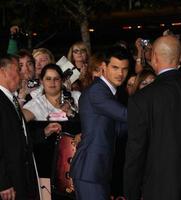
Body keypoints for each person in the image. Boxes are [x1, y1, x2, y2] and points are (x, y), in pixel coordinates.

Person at [124, 35, 181, 200]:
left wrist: (131, 193)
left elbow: (135, 151)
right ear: (180, 58)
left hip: (157, 187)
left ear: (154, 57)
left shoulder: (141, 99)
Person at [70, 45, 129, 200]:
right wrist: (156, 112)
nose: (120, 74)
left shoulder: (109, 91)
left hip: (97, 170)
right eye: (115, 67)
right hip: (90, 170)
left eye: (124, 69)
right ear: (104, 67)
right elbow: (125, 114)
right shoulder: (98, 90)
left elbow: (115, 130)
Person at [0, 55, 61, 200]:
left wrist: (44, 132)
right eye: (17, 69)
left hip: (22, 177)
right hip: (10, 183)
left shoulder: (11, 98)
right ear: (2, 72)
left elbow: (18, 137)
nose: (22, 74)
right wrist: (3, 181)